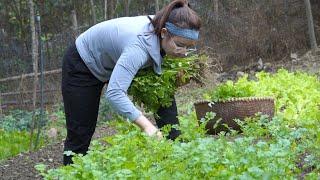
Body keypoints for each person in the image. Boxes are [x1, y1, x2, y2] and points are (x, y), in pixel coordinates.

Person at [61, 0, 201, 165]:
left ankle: (178, 156)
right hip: (83, 63)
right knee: (81, 131)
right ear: (164, 32)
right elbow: (114, 93)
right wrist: (147, 126)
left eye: (189, 47)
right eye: (180, 46)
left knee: (163, 94)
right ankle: (73, 171)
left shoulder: (164, 28)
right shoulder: (138, 49)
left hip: (116, 57)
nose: (184, 53)